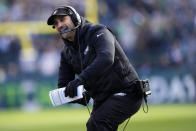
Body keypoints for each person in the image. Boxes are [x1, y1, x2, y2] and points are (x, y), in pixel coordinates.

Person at [47, 6, 144, 131]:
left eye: (62, 20)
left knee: (97, 123)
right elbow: (64, 86)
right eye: (56, 24)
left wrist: (80, 80)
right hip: (102, 98)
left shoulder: (98, 31)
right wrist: (80, 97)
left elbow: (106, 58)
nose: (59, 25)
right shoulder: (66, 54)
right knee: (93, 126)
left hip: (127, 92)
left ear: (75, 18)